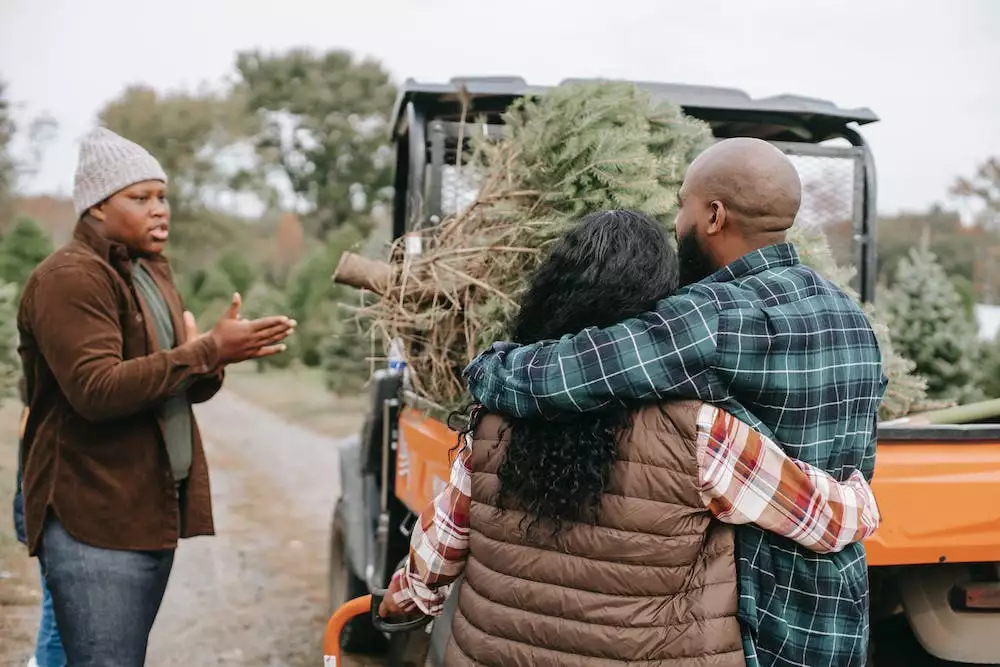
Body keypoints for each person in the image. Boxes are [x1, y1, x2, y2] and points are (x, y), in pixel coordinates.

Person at [380, 210, 881, 666]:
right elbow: (823, 519)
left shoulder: (497, 417)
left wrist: (404, 599)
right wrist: (863, 499)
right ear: (657, 307)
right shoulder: (703, 434)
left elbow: (439, 547)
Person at [17, 127, 295, 667]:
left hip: (144, 506)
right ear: (97, 206)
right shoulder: (72, 278)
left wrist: (214, 358)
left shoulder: (148, 272)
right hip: (95, 513)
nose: (159, 210)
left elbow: (170, 382)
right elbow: (97, 390)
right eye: (140, 198)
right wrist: (205, 350)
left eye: (162, 196)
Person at [12, 378, 65, 667]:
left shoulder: (33, 415)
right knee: (57, 610)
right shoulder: (41, 420)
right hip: (47, 520)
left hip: (40, 519)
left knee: (57, 607)